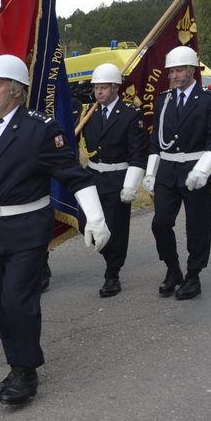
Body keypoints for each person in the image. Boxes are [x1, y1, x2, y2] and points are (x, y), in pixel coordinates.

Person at [0, 54, 110, 406]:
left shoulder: (40, 129)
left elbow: (74, 175)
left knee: (18, 300)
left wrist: (94, 217)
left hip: (25, 230)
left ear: (17, 91)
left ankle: (25, 371)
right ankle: (16, 361)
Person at [143, 45, 211, 301]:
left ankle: (193, 274)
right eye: (171, 71)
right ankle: (173, 268)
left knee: (197, 226)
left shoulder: (209, 100)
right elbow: (157, 140)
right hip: (167, 171)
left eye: (179, 70)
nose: (175, 75)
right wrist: (150, 172)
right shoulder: (163, 100)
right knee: (160, 223)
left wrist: (203, 169)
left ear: (192, 70)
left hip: (195, 168)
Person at [78, 63, 149, 297]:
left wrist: (131, 184)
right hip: (93, 176)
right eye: (96, 87)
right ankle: (109, 254)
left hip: (118, 175)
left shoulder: (130, 115)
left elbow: (138, 153)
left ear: (116, 88)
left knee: (116, 227)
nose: (98, 92)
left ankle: (112, 273)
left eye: (104, 88)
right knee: (84, 220)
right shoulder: (89, 113)